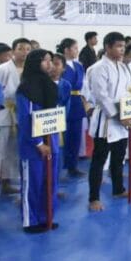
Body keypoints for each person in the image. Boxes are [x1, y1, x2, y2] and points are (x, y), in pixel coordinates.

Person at [88, 32, 131, 211]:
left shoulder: (123, 67)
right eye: (118, 46)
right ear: (107, 47)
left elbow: (129, 90)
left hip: (123, 117)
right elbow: (101, 96)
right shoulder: (98, 68)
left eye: (123, 46)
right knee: (99, 160)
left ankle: (118, 189)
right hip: (106, 119)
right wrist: (119, 115)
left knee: (119, 157)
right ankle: (93, 198)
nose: (122, 49)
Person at [16, 49, 60, 233]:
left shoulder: (50, 85)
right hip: (33, 146)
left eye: (51, 60)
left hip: (51, 141)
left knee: (49, 182)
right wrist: (39, 143)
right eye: (45, 61)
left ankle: (46, 216)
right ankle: (30, 221)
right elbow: (26, 119)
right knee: (33, 184)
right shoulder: (25, 89)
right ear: (35, 63)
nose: (50, 64)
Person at [0, 37, 31, 195]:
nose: (24, 52)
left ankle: (6, 183)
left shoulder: (30, 69)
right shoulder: (2, 69)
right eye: (20, 49)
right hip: (1, 112)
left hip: (19, 113)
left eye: (27, 49)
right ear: (13, 51)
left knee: (12, 150)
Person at [56, 38, 86, 178]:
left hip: (77, 102)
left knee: (75, 136)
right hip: (63, 102)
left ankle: (72, 166)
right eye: (75, 48)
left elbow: (84, 85)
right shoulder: (58, 65)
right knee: (63, 138)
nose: (77, 51)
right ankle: (58, 167)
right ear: (66, 50)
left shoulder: (78, 65)